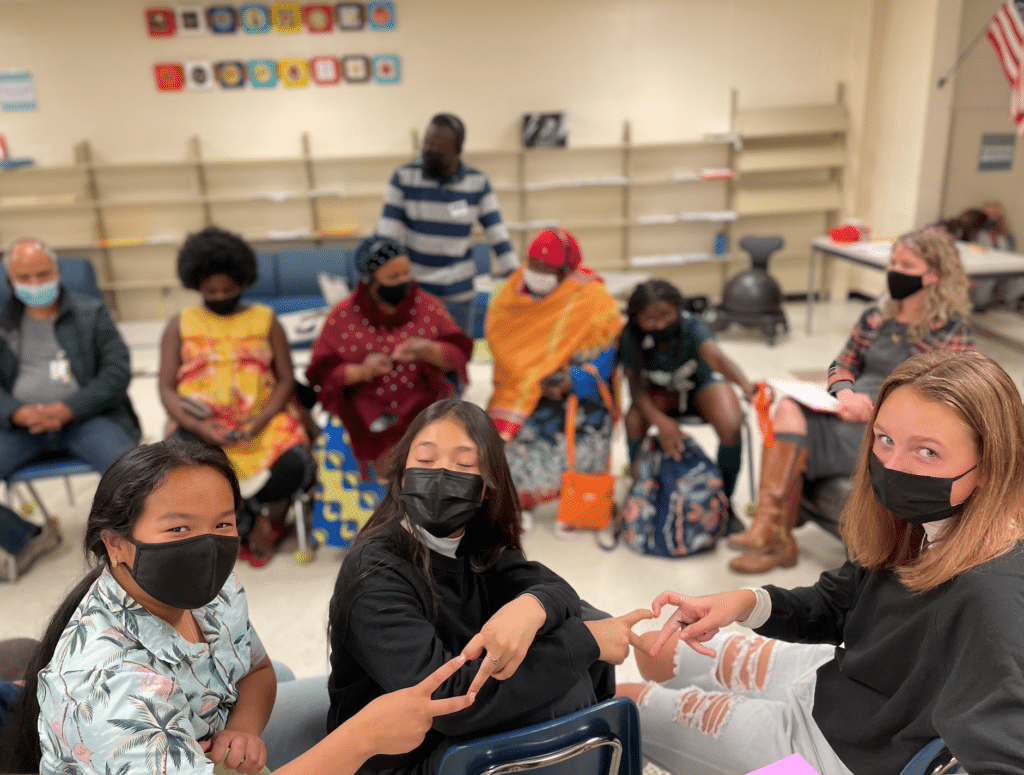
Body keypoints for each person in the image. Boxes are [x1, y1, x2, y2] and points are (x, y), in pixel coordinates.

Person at [619, 351, 1024, 775]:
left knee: (627, 706)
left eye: (927, 452)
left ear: (992, 461)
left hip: (844, 754)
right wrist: (744, 603)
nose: (891, 465)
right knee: (655, 647)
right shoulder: (922, 522)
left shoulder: (994, 594)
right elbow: (841, 602)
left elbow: (1005, 748)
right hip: (838, 683)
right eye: (884, 439)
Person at [0, 440, 476, 775]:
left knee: (320, 692)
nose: (208, 546)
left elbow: (257, 667)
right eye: (179, 529)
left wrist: (244, 729)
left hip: (212, 745)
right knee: (364, 725)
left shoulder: (211, 590)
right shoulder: (108, 686)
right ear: (116, 544)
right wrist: (362, 739)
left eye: (224, 523)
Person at [326, 399, 652, 775]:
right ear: (401, 477)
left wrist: (532, 606)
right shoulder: (373, 572)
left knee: (583, 623)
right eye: (426, 461)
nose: (442, 476)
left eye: (464, 465)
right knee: (568, 680)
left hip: (458, 737)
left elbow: (556, 591)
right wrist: (584, 642)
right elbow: (442, 700)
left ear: (485, 488)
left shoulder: (479, 543)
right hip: (397, 761)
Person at [727, 227, 976, 573]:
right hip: (849, 408)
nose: (895, 271)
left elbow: (953, 395)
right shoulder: (877, 317)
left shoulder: (950, 330)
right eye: (894, 262)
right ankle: (770, 528)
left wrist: (881, 411)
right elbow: (842, 363)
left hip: (893, 426)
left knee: (796, 438)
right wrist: (845, 392)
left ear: (933, 275)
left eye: (906, 265)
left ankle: (776, 536)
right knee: (787, 408)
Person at [159, 226, 313, 567]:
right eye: (210, 291)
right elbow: (167, 388)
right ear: (195, 284)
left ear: (243, 281)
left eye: (228, 289)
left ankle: (250, 514)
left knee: (296, 463)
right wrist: (196, 426)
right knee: (187, 466)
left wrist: (260, 420)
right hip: (202, 426)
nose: (219, 296)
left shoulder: (266, 321)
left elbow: (286, 380)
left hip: (262, 422)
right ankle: (247, 519)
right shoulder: (180, 324)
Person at [0, 238, 140, 580]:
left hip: (89, 418)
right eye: (25, 278)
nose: (35, 284)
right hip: (21, 426)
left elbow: (116, 372)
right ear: (10, 282)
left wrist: (68, 409)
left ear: (58, 273)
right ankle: (28, 538)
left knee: (133, 476)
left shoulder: (91, 313)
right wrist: (16, 412)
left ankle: (132, 549)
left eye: (42, 274)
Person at [485, 229, 623, 535]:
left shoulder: (591, 295)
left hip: (575, 389)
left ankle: (576, 503)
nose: (536, 274)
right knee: (506, 437)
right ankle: (521, 502)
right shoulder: (512, 292)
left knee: (584, 430)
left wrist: (568, 382)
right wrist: (533, 379)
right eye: (532, 264)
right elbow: (500, 340)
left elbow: (608, 352)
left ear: (565, 270)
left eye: (546, 269)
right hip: (521, 386)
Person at [306, 235, 473, 478]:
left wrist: (426, 349)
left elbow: (457, 353)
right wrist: (361, 371)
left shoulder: (427, 306)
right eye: (393, 277)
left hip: (421, 405)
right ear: (370, 280)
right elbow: (323, 372)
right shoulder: (342, 315)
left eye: (406, 274)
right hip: (363, 411)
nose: (403, 281)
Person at [377, 113, 518, 334]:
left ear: (457, 150)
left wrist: (517, 279)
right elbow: (387, 235)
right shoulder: (404, 178)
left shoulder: (477, 183)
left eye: (438, 150)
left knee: (455, 362)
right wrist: (380, 282)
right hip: (415, 293)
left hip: (457, 295)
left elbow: (498, 235)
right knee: (414, 363)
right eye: (427, 145)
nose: (429, 153)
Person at [621, 279, 755, 500]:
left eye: (666, 315)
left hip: (700, 387)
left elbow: (717, 359)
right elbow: (636, 388)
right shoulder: (630, 337)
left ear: (677, 308)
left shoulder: (692, 326)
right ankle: (639, 491)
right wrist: (661, 423)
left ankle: (724, 501)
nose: (660, 325)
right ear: (637, 319)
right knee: (634, 418)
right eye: (650, 319)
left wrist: (746, 386)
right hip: (660, 393)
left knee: (732, 423)